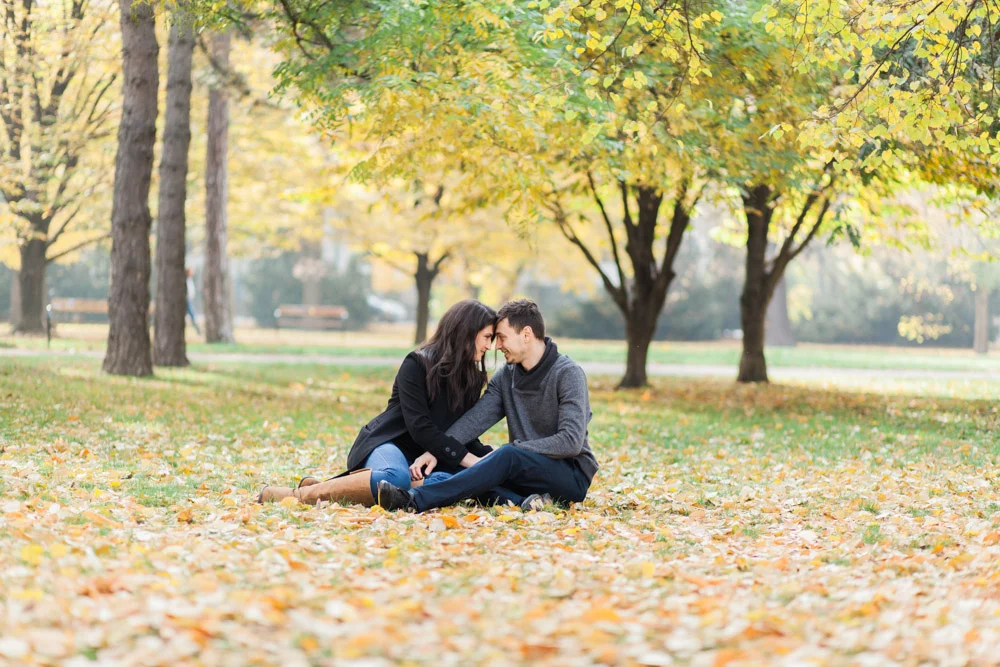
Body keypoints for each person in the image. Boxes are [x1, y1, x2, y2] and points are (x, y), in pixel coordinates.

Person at [256, 299, 510, 506]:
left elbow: (461, 430)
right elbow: (419, 425)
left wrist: (491, 459)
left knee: (449, 477)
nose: (490, 346)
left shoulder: (473, 377)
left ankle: (359, 488)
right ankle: (297, 496)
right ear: (466, 331)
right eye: (487, 337)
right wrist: (466, 459)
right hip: (390, 443)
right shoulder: (417, 363)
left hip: (428, 458)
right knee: (396, 477)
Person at [378, 298, 599, 513]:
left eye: (502, 338)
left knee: (503, 457)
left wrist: (514, 450)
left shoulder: (568, 373)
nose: (497, 346)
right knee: (478, 474)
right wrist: (436, 451)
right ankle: (525, 503)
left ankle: (414, 500)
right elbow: (474, 420)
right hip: (524, 471)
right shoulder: (506, 376)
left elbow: (571, 441)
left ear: (526, 334)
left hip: (570, 475)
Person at [185, 268, 201, 335]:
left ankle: (198, 330)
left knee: (192, 315)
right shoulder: (186, 279)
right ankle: (198, 330)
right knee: (192, 315)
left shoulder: (189, 279)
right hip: (186, 300)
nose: (193, 272)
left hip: (189, 300)